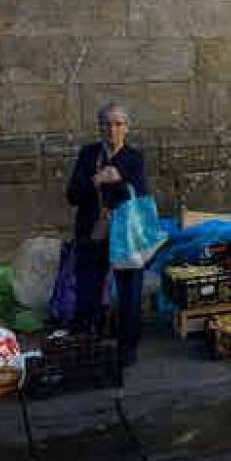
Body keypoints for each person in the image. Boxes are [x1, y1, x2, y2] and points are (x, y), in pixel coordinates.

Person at [65, 102, 148, 367]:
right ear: (99, 128)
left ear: (127, 127)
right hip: (93, 232)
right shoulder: (88, 154)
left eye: (118, 124)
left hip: (125, 235)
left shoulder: (134, 158)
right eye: (106, 125)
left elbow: (141, 196)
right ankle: (87, 340)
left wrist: (119, 181)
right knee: (87, 289)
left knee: (130, 291)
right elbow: (72, 195)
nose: (112, 130)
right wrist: (95, 181)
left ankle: (128, 347)